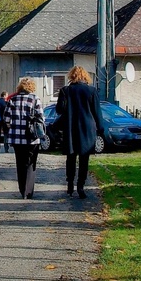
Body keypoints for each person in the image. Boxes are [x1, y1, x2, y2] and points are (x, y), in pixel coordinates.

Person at [56, 65, 103, 199]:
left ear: (71, 76)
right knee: (84, 159)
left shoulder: (65, 91)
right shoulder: (91, 91)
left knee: (70, 158)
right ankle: (81, 186)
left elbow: (59, 110)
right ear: (85, 76)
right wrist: (101, 129)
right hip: (87, 128)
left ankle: (70, 184)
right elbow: (97, 112)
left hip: (70, 128)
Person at [4, 78, 45, 199]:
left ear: (20, 87)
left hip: (17, 138)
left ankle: (22, 190)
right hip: (32, 138)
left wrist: (13, 125)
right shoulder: (35, 99)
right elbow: (41, 118)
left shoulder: (12, 99)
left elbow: (6, 119)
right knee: (31, 164)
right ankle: (28, 191)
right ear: (32, 87)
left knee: (20, 163)